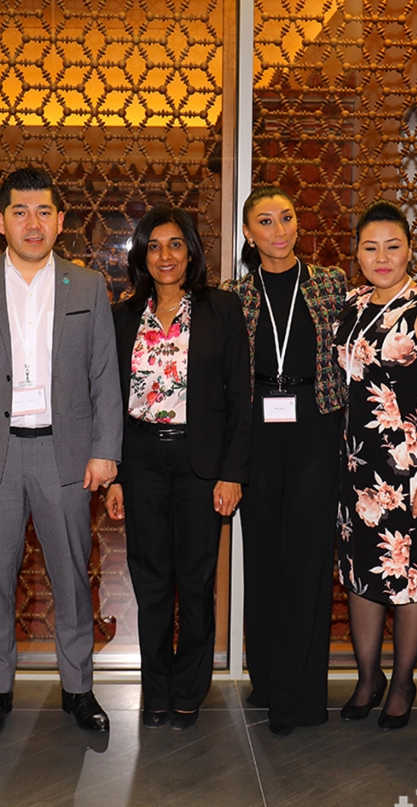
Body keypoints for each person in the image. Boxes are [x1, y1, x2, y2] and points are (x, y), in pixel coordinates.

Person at [0, 167, 123, 735]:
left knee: (71, 576)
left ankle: (79, 689)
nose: (32, 223)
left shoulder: (87, 286)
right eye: (20, 212)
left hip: (64, 454)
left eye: (43, 212)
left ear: (61, 220)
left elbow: (104, 377)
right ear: (0, 221)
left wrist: (105, 451)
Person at [104, 207, 251, 729]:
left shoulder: (221, 310)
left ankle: (189, 688)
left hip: (201, 464)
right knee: (151, 581)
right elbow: (108, 400)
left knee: (195, 581)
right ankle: (156, 688)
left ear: (191, 252)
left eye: (175, 245)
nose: (164, 256)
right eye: (154, 246)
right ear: (142, 256)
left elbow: (240, 399)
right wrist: (115, 474)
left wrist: (232, 473)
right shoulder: (122, 317)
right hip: (141, 460)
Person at [221, 186, 350, 737]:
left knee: (308, 560)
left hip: (315, 428)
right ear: (248, 233)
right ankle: (269, 679)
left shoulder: (331, 282)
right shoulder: (233, 295)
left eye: (287, 218)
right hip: (257, 432)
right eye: (265, 221)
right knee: (266, 558)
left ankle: (300, 697)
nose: (279, 229)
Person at [334, 200, 417, 730]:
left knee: (410, 577)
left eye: (393, 246)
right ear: (358, 253)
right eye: (370, 247)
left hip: (412, 473)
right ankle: (368, 677)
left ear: (411, 249)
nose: (382, 257)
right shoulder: (353, 303)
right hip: (356, 468)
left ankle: (403, 680)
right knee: (362, 576)